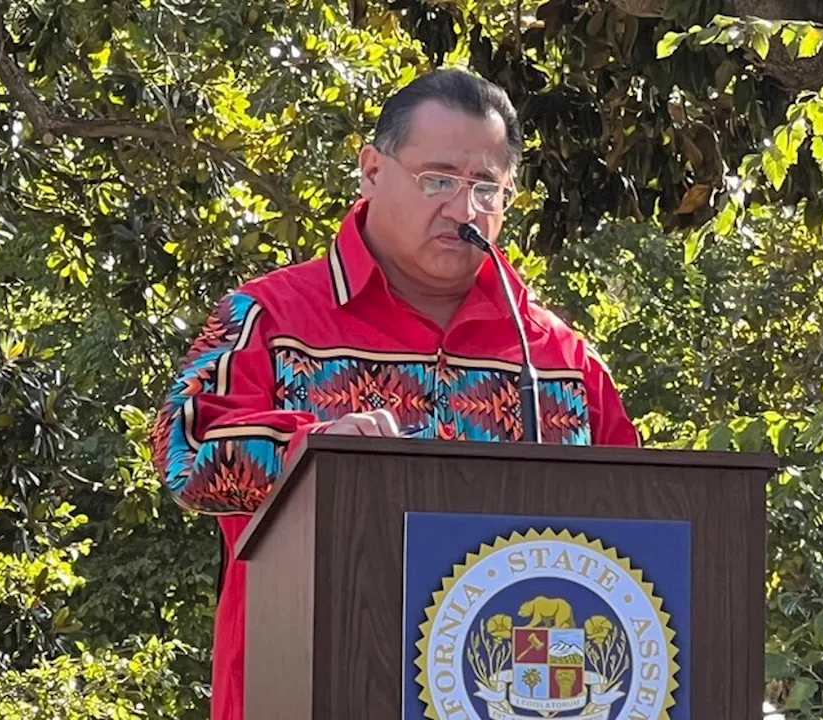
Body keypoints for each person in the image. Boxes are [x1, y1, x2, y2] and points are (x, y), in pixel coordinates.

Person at [150, 68, 640, 720]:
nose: (464, 210)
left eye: (486, 188)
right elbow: (181, 456)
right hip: (308, 693)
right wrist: (310, 453)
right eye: (438, 179)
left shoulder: (562, 360)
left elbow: (642, 525)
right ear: (373, 170)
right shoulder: (262, 317)